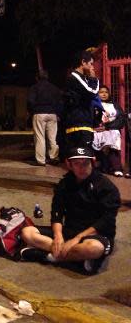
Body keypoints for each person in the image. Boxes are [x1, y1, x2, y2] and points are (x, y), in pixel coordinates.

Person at [20, 146, 121, 274]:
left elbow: (107, 220)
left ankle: (48, 256)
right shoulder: (65, 184)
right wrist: (58, 236)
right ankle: (76, 258)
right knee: (27, 232)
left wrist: (77, 238)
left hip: (94, 234)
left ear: (93, 162)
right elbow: (57, 212)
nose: (81, 168)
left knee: (94, 249)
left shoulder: (105, 186)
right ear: (69, 164)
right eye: (76, 163)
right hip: (70, 230)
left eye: (85, 163)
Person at [63, 50, 100, 149]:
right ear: (83, 62)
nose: (93, 67)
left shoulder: (83, 78)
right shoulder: (75, 77)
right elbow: (92, 93)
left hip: (83, 122)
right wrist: (94, 79)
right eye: (91, 64)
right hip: (79, 124)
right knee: (81, 157)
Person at [27, 70, 62, 166]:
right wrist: (58, 113)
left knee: (40, 137)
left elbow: (30, 101)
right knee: (52, 137)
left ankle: (41, 160)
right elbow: (60, 102)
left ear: (37, 78)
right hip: (52, 114)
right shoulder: (54, 88)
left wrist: (32, 111)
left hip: (39, 113)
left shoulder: (34, 88)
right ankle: (54, 157)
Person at [92, 85, 126, 177]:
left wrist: (108, 127)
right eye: (101, 92)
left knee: (113, 149)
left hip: (111, 130)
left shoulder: (115, 105)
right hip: (97, 131)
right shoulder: (92, 104)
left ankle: (116, 168)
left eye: (106, 92)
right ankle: (100, 167)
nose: (104, 94)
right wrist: (95, 127)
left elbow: (121, 119)